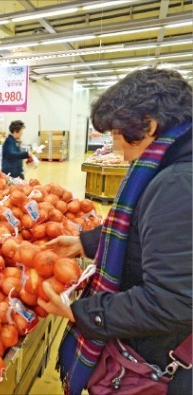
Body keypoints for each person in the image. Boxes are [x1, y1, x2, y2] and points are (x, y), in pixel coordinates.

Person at [38, 68, 192, 395]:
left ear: (149, 125)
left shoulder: (179, 183)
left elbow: (171, 301)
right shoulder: (173, 162)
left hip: (156, 358)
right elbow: (153, 236)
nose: (116, 145)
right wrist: (86, 242)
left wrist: (82, 312)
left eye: (118, 133)